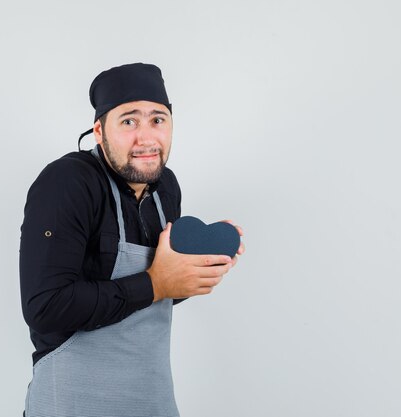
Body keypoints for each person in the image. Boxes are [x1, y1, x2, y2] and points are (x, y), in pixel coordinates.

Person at [19, 63, 244, 417]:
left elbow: (154, 297)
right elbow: (45, 307)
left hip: (151, 402)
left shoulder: (165, 187)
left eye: (158, 120)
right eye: (128, 121)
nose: (146, 138)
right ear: (99, 130)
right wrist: (155, 283)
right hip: (70, 404)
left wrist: (194, 272)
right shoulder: (67, 183)